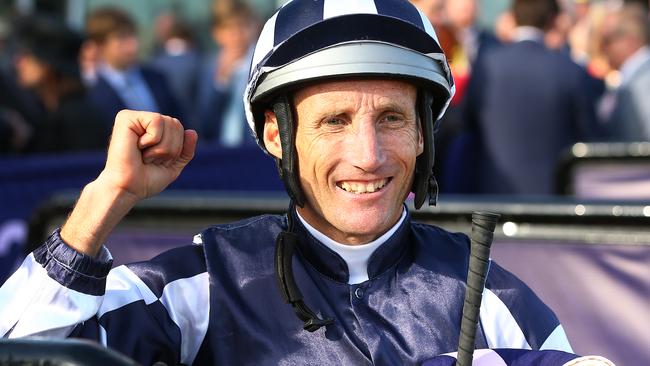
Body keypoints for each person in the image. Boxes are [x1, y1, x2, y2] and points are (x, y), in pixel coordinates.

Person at [0, 1, 578, 365]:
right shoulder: (204, 283)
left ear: (425, 134)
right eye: (334, 121)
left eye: (392, 118)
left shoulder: (500, 304)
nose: (368, 156)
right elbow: (26, 353)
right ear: (277, 136)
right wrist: (106, 199)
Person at [473, 0, 602, 195]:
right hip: (554, 201)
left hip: (493, 198)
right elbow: (591, 138)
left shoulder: (486, 65)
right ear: (552, 21)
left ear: (513, 17)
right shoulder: (571, 70)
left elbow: (465, 126)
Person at [10, 17, 109, 153]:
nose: (19, 63)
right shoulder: (42, 108)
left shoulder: (77, 118)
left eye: (27, 56)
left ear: (48, 66)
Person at [85, 7, 184, 126]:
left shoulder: (157, 78)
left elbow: (182, 122)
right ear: (101, 45)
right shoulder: (91, 94)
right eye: (121, 38)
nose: (132, 45)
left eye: (133, 35)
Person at [195, 0, 258, 146]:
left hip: (254, 151)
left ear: (254, 26)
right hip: (222, 151)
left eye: (242, 25)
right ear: (217, 33)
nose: (236, 34)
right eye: (229, 28)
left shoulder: (263, 62)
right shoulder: (210, 67)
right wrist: (221, 81)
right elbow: (205, 120)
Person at [598, 3, 650, 140]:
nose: (602, 48)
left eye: (607, 40)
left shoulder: (644, 80)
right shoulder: (635, 77)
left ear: (630, 40)